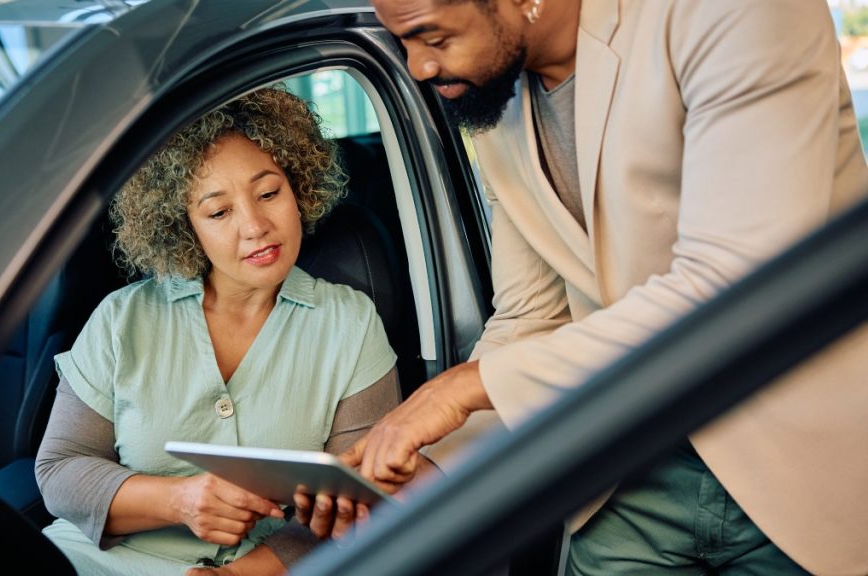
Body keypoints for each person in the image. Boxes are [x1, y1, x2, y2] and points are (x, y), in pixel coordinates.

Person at [297, 1, 868, 575]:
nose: (418, 67)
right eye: (404, 44)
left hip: (792, 457)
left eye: (432, 37)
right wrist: (433, 471)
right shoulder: (494, 96)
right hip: (624, 463)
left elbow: (733, 293)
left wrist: (460, 388)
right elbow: (530, 315)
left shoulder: (735, 13)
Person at [34, 86, 401, 576]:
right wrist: (179, 500)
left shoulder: (351, 324)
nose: (255, 226)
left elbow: (355, 505)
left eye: (269, 193)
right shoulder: (122, 318)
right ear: (185, 226)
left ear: (298, 190)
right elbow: (60, 469)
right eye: (219, 212)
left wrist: (237, 575)